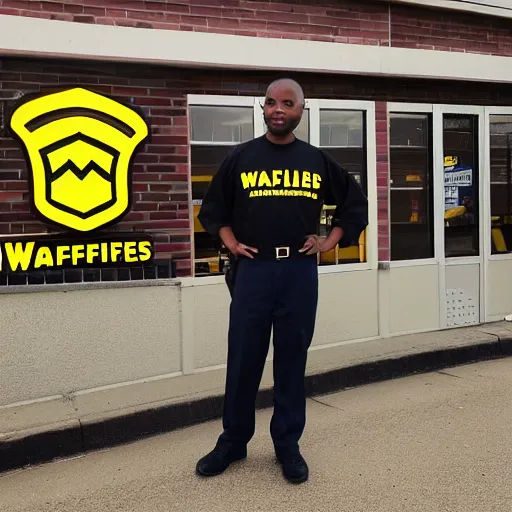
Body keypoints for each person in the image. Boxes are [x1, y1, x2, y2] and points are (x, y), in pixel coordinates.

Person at [195, 78, 368, 484]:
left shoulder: (317, 161)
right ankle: (233, 442)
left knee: (292, 359)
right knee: (243, 360)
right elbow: (213, 209)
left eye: (287, 103)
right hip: (253, 270)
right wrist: (231, 242)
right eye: (271, 102)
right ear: (264, 108)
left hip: (298, 271)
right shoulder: (241, 157)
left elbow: (353, 206)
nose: (278, 109)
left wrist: (328, 242)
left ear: (300, 111)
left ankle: (287, 445)